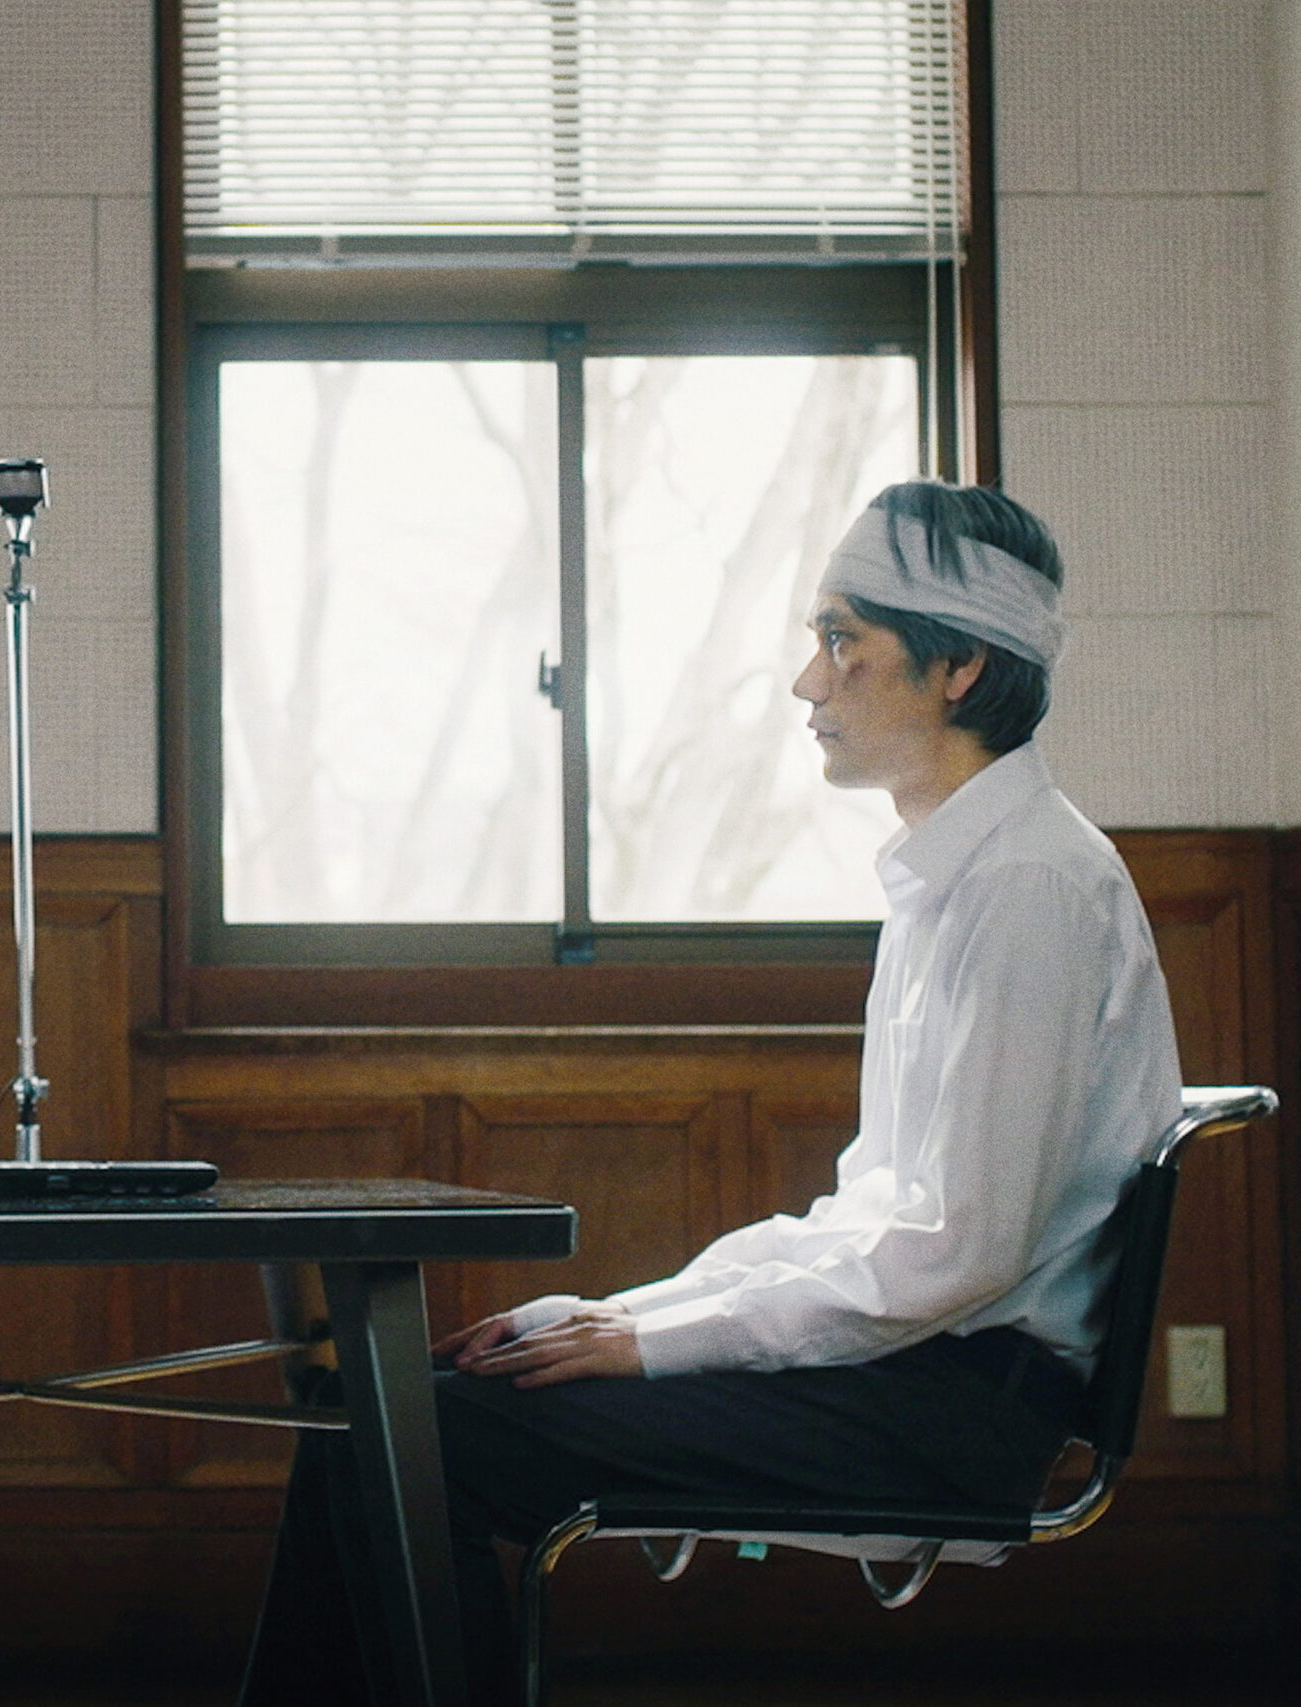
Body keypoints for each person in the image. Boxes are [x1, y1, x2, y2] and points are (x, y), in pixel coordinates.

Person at [238, 482, 1180, 1706]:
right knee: (383, 1419)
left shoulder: (1030, 888)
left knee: (406, 1445)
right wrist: (622, 1313)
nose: (806, 682)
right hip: (914, 1365)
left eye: (841, 641)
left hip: (953, 1405)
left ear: (959, 669)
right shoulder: (960, 875)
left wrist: (652, 1347)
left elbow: (959, 1256)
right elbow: (868, 1221)